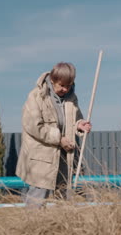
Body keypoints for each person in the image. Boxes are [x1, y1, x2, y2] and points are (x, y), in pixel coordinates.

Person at [15, 62, 91, 208]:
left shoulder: (71, 98)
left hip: (64, 158)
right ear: (52, 81)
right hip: (40, 159)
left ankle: (60, 228)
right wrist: (58, 139)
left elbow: (75, 119)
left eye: (69, 85)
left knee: (64, 197)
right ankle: (31, 228)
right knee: (38, 197)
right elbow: (33, 127)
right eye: (62, 85)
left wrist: (80, 125)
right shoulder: (36, 97)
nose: (65, 89)